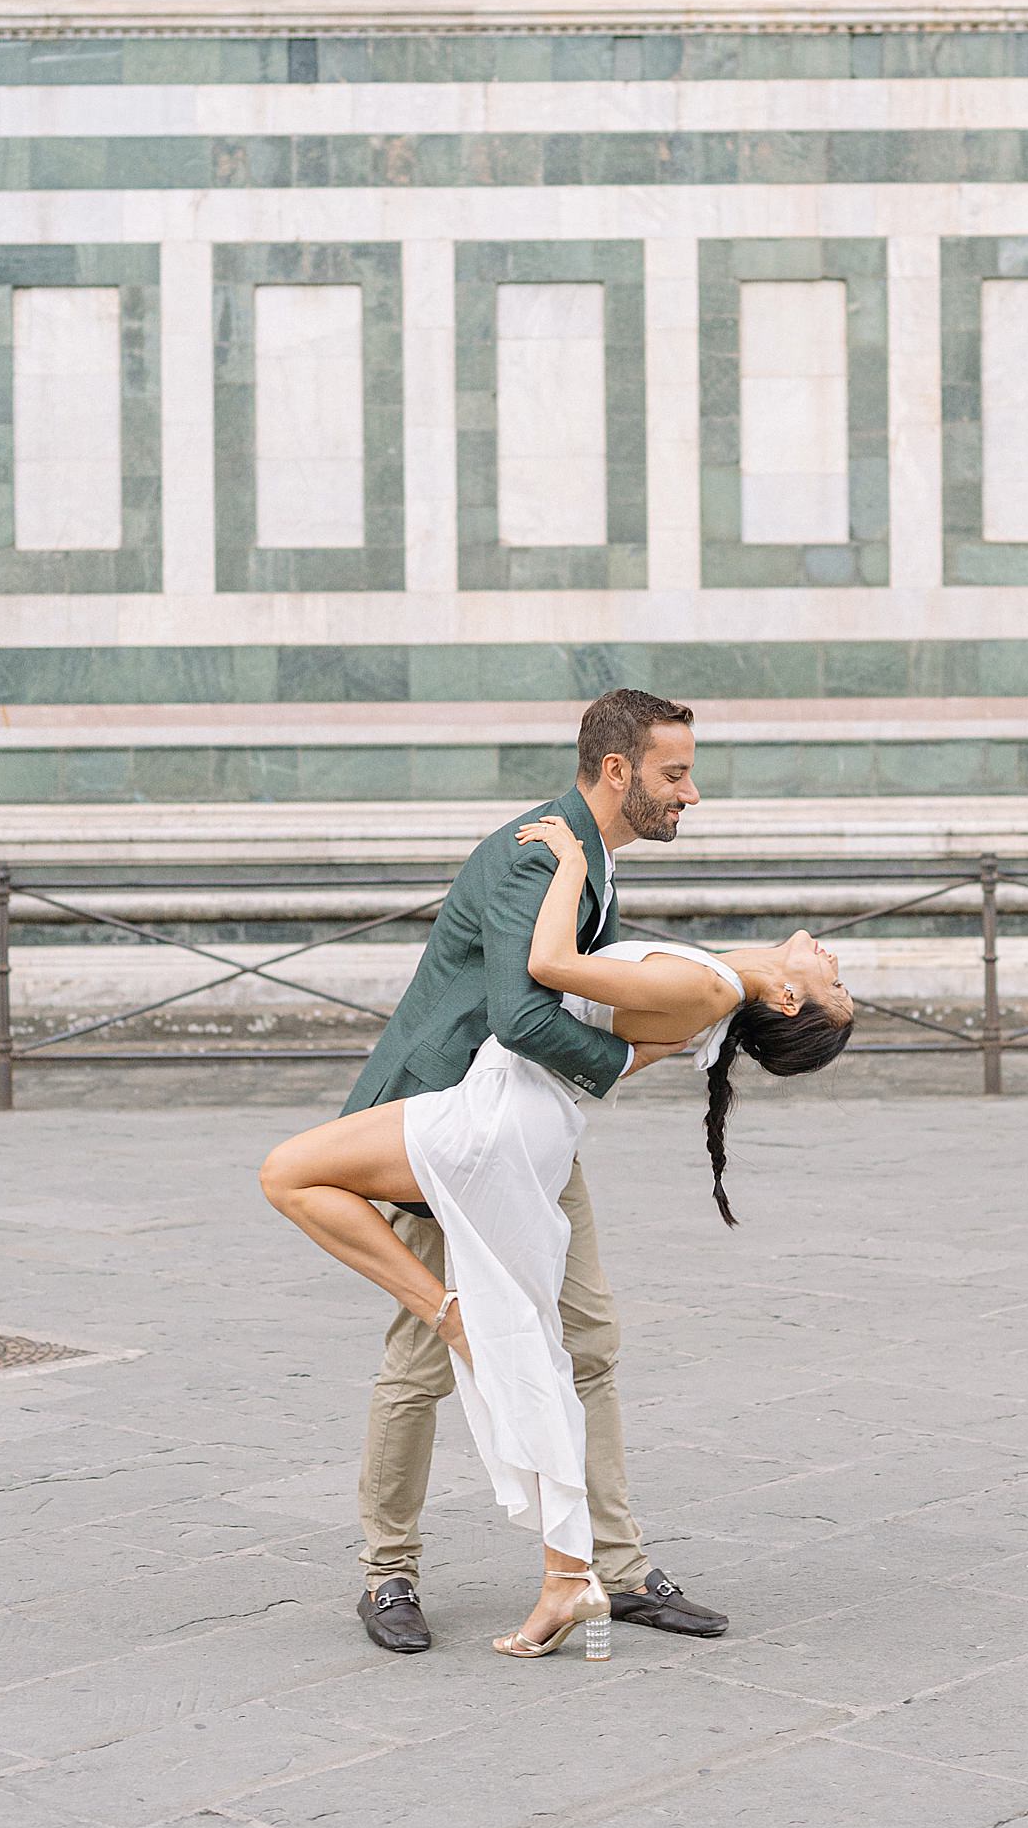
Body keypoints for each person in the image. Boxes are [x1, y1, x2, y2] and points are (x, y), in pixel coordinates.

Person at [259, 692, 854, 1661]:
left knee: (589, 1339)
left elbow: (599, 1000)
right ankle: (388, 1568)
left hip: (531, 1132)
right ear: (617, 768)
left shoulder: (589, 857)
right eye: (674, 772)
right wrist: (616, 1067)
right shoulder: (542, 852)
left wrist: (621, 1062)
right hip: (454, 1125)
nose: (690, 793)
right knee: (423, 1356)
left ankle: (608, 1568)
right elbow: (520, 1015)